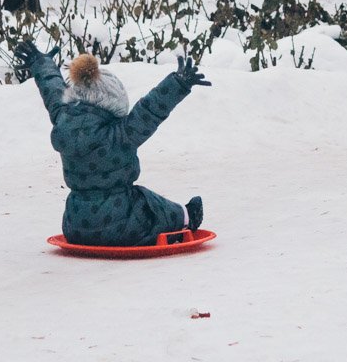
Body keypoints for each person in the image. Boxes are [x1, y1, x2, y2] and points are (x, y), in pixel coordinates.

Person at [14, 41, 210, 246]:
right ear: (113, 103)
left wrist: (41, 62)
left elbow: (52, 88)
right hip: (123, 227)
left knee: (133, 200)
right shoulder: (119, 133)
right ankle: (187, 216)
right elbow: (150, 110)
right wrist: (178, 83)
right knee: (147, 201)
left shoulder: (63, 117)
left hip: (75, 225)